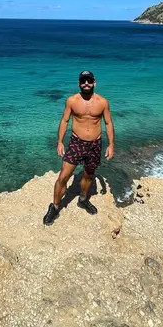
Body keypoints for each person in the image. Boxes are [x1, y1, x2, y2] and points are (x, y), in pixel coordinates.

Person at [43, 70, 115, 226]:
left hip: (95, 144)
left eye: (89, 80)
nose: (86, 83)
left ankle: (83, 200)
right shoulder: (72, 101)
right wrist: (60, 142)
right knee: (64, 176)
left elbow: (108, 123)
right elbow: (64, 120)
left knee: (89, 175)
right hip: (76, 143)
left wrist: (111, 145)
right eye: (83, 81)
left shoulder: (103, 102)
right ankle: (55, 206)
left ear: (94, 82)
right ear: (79, 83)